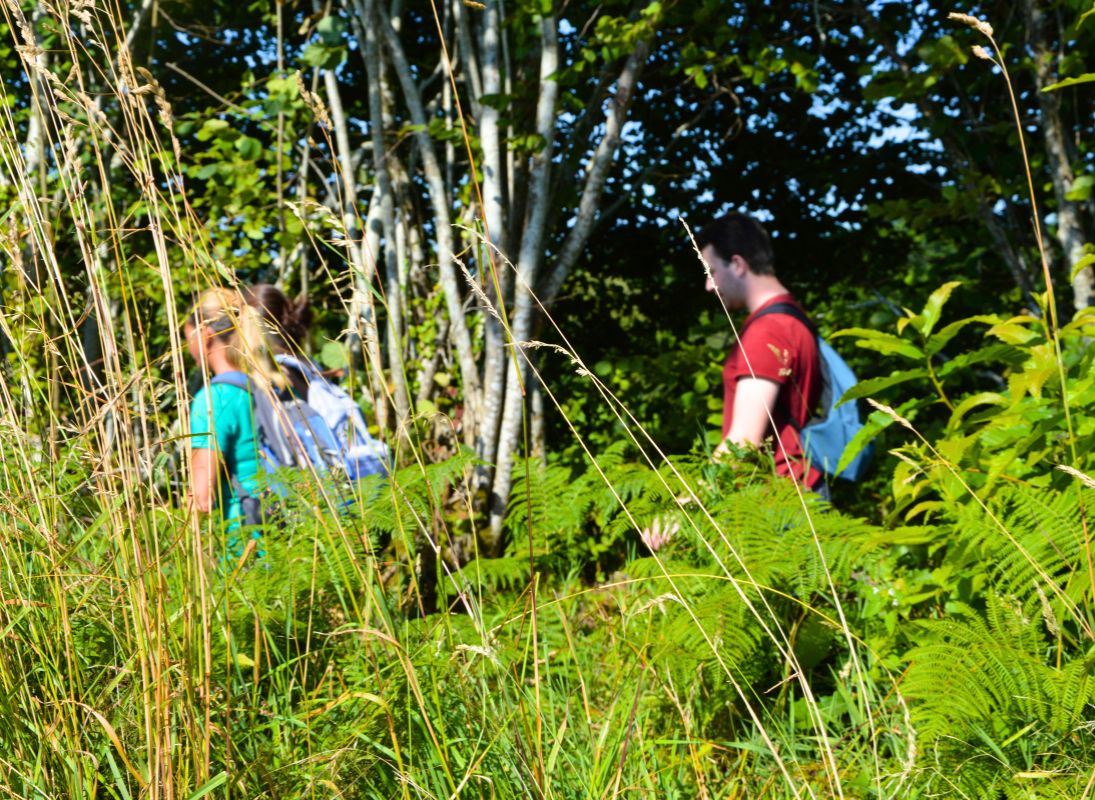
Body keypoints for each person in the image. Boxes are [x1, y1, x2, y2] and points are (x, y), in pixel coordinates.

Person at [697, 212, 823, 492]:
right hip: (800, 494)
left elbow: (743, 441)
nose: (709, 285)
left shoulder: (768, 331)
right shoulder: (794, 318)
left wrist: (687, 507)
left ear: (738, 264)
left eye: (711, 272)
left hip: (779, 503)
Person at [183, 287, 280, 548]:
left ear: (204, 336)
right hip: (294, 536)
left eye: (187, 338)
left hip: (248, 551)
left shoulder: (216, 398)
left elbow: (201, 498)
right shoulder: (272, 384)